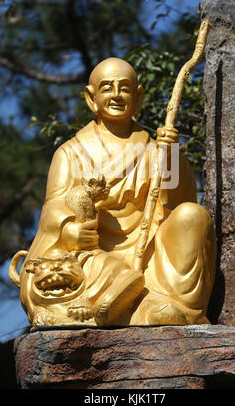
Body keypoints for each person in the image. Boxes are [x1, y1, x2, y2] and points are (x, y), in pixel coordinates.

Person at [16, 57, 216, 327]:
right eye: (107, 88)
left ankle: (171, 305)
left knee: (193, 216)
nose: (117, 95)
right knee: (60, 270)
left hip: (148, 256)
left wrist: (170, 157)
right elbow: (54, 207)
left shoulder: (155, 149)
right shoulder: (70, 152)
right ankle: (120, 305)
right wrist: (67, 230)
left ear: (138, 96)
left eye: (124, 88)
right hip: (94, 257)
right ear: (91, 98)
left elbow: (175, 209)